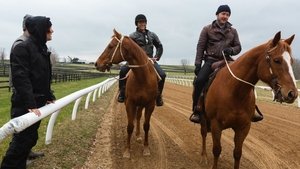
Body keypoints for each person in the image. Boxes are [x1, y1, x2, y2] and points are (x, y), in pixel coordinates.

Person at [1, 15, 55, 169]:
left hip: (37, 102)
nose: (52, 30)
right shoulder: (22, 47)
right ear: (40, 29)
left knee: (30, 138)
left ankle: (21, 163)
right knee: (22, 140)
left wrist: (48, 95)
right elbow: (21, 78)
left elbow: (43, 76)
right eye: (49, 27)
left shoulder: (41, 47)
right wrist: (30, 103)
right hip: (25, 103)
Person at [190, 5, 242, 123]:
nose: (225, 16)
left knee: (243, 76)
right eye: (223, 13)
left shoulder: (233, 31)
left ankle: (251, 108)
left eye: (227, 14)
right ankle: (196, 110)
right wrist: (198, 64)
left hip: (227, 60)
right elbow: (200, 47)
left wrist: (231, 50)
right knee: (199, 81)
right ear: (217, 14)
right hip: (211, 60)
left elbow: (238, 47)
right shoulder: (207, 29)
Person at [8, 14, 45, 162]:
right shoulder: (21, 43)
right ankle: (17, 158)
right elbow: (21, 75)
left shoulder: (31, 43)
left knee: (29, 129)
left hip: (30, 91)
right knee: (21, 131)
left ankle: (27, 152)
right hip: (22, 92)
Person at [117, 14, 166, 106]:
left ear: (146, 23)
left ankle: (158, 96)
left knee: (162, 75)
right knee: (123, 71)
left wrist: (156, 57)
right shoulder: (132, 36)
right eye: (140, 22)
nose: (142, 24)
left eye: (144, 22)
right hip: (135, 61)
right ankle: (122, 93)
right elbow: (128, 50)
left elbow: (159, 46)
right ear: (137, 24)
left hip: (150, 61)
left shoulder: (152, 35)